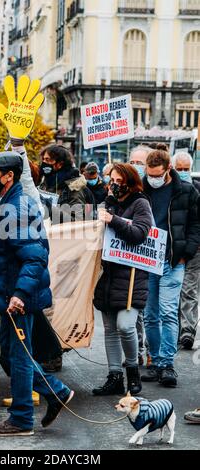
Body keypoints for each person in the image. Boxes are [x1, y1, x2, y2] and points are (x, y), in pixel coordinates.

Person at [0, 151, 74, 436]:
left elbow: (33, 257)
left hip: (16, 297)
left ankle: (21, 419)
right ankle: (55, 391)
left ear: (9, 175)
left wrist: (19, 294)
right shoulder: (10, 202)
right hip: (9, 293)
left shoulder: (17, 207)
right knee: (6, 353)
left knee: (19, 356)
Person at [141, 145, 200, 388]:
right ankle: (154, 360)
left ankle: (167, 364)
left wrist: (186, 253)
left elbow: (196, 224)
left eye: (157, 175)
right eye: (149, 174)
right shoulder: (141, 188)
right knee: (150, 315)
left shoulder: (186, 191)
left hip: (172, 261)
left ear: (168, 170)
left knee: (167, 312)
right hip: (146, 261)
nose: (152, 179)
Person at [93, 163, 153, 396]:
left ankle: (132, 372)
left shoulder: (140, 203)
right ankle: (114, 376)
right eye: (111, 180)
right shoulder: (109, 203)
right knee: (109, 329)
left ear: (129, 181)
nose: (114, 184)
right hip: (107, 275)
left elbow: (139, 234)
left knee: (125, 326)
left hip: (131, 277)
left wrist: (113, 220)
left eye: (119, 181)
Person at [172, 152, 200, 350]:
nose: (182, 172)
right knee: (173, 290)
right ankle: (174, 329)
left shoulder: (197, 190)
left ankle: (188, 331)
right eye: (179, 169)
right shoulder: (169, 190)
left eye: (185, 169)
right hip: (174, 250)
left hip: (195, 248)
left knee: (189, 289)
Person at [129, 144, 152, 367]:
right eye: (132, 162)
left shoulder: (151, 193)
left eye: (140, 163)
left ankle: (150, 352)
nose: (136, 167)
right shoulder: (122, 190)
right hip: (128, 260)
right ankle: (136, 354)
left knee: (150, 312)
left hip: (152, 257)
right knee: (134, 311)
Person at [39, 144, 95, 222]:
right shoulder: (45, 182)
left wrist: (51, 209)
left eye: (48, 160)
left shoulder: (75, 186)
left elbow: (77, 220)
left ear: (60, 164)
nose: (44, 163)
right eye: (43, 160)